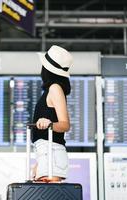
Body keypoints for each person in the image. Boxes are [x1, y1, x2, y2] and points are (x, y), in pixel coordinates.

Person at [32, 45, 73, 183]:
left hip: (51, 154)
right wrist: (39, 162)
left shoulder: (55, 88)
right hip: (47, 153)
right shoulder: (52, 89)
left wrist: (49, 124)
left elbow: (65, 124)